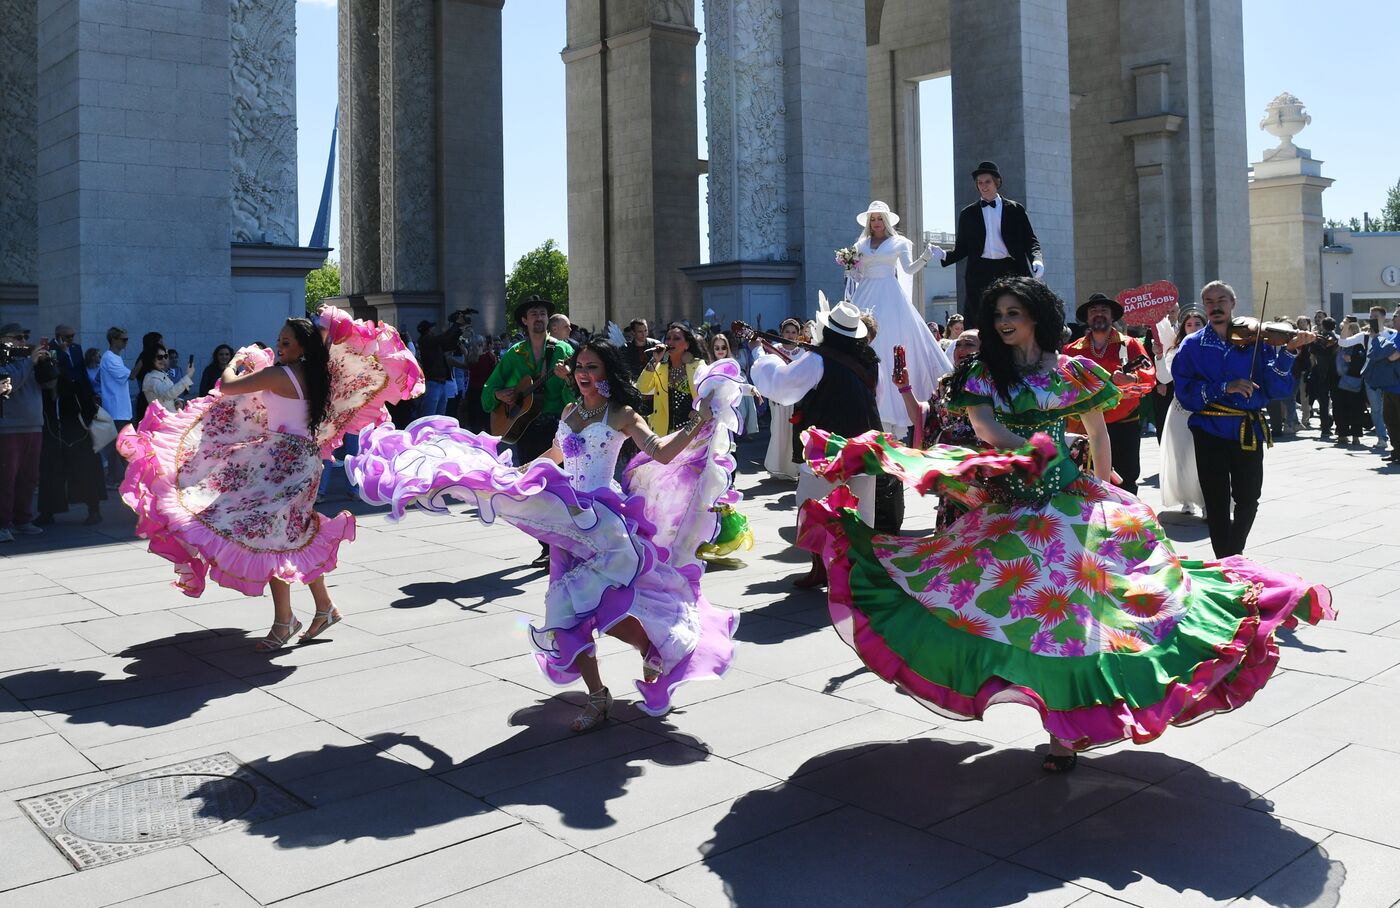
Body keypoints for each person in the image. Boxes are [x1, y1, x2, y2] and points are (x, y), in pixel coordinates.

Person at [798, 276, 1333, 772]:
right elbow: (984, 429)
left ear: (1036, 317)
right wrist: (1034, 451)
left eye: (1015, 312)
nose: (1005, 322)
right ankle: (1051, 714)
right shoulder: (984, 372)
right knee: (1001, 608)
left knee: (1078, 622)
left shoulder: (1071, 369)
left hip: (1073, 506)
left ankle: (1064, 733)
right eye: (999, 313)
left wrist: (1105, 489)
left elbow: (1099, 435)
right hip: (1011, 504)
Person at [351, 339, 741, 730]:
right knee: (565, 613)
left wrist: (697, 420)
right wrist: (514, 475)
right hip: (565, 523)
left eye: (593, 368)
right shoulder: (571, 411)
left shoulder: (620, 413)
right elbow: (555, 456)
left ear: (607, 373)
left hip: (603, 524)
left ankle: (648, 645)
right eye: (580, 367)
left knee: (601, 604)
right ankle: (598, 696)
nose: (584, 375)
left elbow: (660, 453)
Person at [117, 307, 422, 650]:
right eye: (280, 341)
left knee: (272, 538)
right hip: (303, 462)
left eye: (287, 342)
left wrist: (237, 361)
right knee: (291, 534)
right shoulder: (321, 374)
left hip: (282, 463)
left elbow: (230, 386)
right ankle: (324, 608)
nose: (281, 347)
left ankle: (285, 620)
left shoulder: (281, 375)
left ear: (302, 347)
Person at [742, 299, 882, 589]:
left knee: (814, 507)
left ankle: (822, 569)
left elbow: (782, 386)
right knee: (861, 510)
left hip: (829, 446)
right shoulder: (867, 359)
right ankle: (855, 572)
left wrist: (760, 354)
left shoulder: (820, 359)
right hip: (864, 443)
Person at [1171, 281, 1314, 558]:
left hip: (1247, 430)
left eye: (1221, 300)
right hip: (1209, 430)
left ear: (1233, 303)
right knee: (1216, 501)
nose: (1215, 306)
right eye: (1209, 301)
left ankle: (1232, 555)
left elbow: (1277, 388)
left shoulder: (1256, 342)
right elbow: (1185, 394)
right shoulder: (1192, 345)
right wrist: (1225, 386)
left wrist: (1288, 352)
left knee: (1249, 499)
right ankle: (1227, 562)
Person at [481, 294, 575, 566]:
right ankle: (548, 546)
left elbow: (579, 390)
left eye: (543, 314)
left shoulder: (563, 351)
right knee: (535, 488)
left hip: (559, 427)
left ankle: (566, 543)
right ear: (524, 320)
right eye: (533, 313)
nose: (539, 318)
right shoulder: (514, 354)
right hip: (526, 428)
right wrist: (500, 395)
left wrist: (567, 378)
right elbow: (489, 388)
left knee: (562, 486)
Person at [847, 201, 954, 433]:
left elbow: (908, 268)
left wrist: (926, 256)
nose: (876, 223)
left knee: (890, 340)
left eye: (879, 218)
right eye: (872, 219)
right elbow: (857, 275)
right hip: (865, 292)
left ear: (886, 221)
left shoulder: (900, 242)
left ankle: (894, 405)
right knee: (861, 339)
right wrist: (849, 267)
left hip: (889, 294)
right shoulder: (860, 244)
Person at [1061, 293, 1155, 494]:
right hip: (1084, 424)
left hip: (1123, 422)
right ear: (1087, 318)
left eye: (1104, 311)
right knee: (1084, 477)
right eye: (1094, 311)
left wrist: (1133, 379)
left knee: (1126, 477)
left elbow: (1149, 376)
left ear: (1112, 317)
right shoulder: (1071, 350)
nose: (1099, 315)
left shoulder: (1129, 345)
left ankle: (1127, 522)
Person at [932, 161, 1044, 319]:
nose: (983, 186)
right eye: (980, 183)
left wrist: (1036, 259)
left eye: (987, 182)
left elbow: (1030, 240)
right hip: (980, 272)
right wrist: (944, 255)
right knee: (981, 319)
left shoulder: (1015, 209)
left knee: (1018, 314)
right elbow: (962, 248)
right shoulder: (968, 213)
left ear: (996, 182)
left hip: (1011, 269)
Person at [897, 328, 981, 530]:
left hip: (980, 475)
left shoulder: (992, 383)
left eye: (968, 344)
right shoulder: (947, 384)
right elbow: (924, 418)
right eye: (958, 344)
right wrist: (904, 387)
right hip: (951, 474)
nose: (961, 348)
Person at [38, 326, 106, 527]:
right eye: (66, 337)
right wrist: (58, 353)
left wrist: (90, 404)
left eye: (72, 337)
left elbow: (79, 376)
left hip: (76, 416)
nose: (70, 340)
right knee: (51, 466)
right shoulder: (51, 351)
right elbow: (52, 375)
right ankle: (48, 511)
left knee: (86, 464)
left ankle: (93, 509)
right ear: (58, 336)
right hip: (55, 416)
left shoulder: (75, 350)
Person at [0, 323, 52, 542]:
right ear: (3, 340)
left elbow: (49, 384)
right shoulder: (5, 361)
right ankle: (3, 524)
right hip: (8, 429)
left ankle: (23, 520)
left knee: (29, 478)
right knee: (6, 479)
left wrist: (46, 363)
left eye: (25, 337)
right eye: (18, 337)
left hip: (33, 425)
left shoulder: (29, 361)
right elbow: (9, 385)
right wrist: (29, 362)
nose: (23, 341)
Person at [1158, 307, 1208, 517]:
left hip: (1207, 408)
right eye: (1189, 324)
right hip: (1180, 409)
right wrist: (1159, 355)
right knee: (1181, 455)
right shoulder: (1175, 350)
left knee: (1203, 457)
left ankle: (1207, 501)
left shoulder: (1212, 347)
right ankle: (1187, 499)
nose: (1193, 328)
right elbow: (1164, 377)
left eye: (1198, 324)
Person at [638, 322, 705, 436]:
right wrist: (654, 360)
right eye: (668, 338)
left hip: (691, 431)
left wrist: (700, 412)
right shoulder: (659, 367)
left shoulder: (698, 366)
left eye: (676, 338)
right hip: (664, 432)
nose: (670, 342)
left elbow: (709, 396)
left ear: (687, 345)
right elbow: (642, 389)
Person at [762, 318, 803, 482]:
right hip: (778, 398)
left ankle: (794, 468)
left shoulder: (803, 352)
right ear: (781, 333)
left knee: (795, 432)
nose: (790, 335)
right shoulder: (774, 349)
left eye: (794, 332)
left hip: (797, 399)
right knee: (779, 430)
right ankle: (777, 467)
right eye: (787, 331)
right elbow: (767, 373)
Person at [99, 326, 133, 486]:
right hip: (116, 410)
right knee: (117, 446)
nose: (126, 342)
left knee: (123, 445)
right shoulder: (109, 358)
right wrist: (144, 358)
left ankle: (119, 477)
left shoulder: (114, 358)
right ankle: (114, 477)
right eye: (123, 339)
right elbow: (132, 375)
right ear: (114, 340)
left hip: (122, 409)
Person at [1334, 320, 1367, 446]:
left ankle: (1355, 435)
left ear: (1352, 331)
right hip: (1338, 383)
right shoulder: (1339, 344)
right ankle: (1342, 434)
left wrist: (1352, 359)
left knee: (1355, 409)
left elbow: (1361, 361)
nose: (1342, 331)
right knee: (1340, 409)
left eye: (1344, 329)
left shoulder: (1359, 345)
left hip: (1353, 382)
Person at [140, 345, 195, 414]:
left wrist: (178, 401)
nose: (164, 360)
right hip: (161, 420)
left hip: (170, 416)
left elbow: (170, 395)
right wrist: (188, 376)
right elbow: (167, 394)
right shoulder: (151, 377)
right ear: (151, 359)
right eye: (160, 357)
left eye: (165, 356)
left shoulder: (162, 374)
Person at [1308, 318, 1338, 439]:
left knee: (1323, 402)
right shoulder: (1337, 338)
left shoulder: (1319, 339)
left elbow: (1313, 353)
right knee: (1336, 401)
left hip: (1321, 373)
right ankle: (1339, 426)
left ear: (1323, 326)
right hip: (1335, 372)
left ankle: (1325, 428)